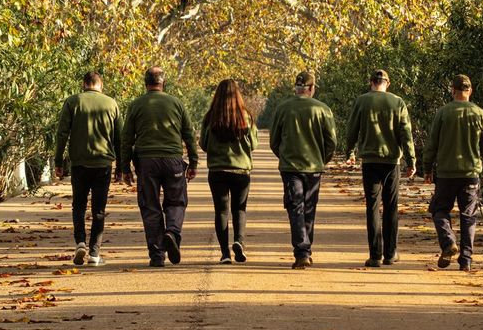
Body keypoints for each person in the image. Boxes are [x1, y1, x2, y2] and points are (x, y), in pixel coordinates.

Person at [120, 66, 198, 267]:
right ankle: (172, 231)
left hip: (146, 162)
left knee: (150, 206)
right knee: (176, 202)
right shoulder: (176, 103)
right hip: (173, 160)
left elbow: (126, 139)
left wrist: (125, 167)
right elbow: (189, 135)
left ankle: (157, 255)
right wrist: (193, 162)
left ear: (145, 83)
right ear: (164, 83)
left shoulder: (136, 105)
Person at [423, 73, 483, 272]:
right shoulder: (480, 114)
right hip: (470, 173)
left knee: (439, 210)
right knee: (468, 216)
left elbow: (432, 144)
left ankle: (448, 242)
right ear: (470, 90)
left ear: (452, 90)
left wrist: (427, 168)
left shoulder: (443, 113)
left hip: (446, 173)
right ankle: (466, 260)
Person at [343, 68, 415, 267]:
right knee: (391, 207)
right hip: (392, 162)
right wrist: (411, 160)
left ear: (371, 82)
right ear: (387, 83)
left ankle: (375, 255)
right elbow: (406, 133)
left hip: (370, 161)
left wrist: (349, 152)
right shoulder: (397, 102)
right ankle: (390, 254)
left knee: (372, 207)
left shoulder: (362, 101)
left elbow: (352, 130)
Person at [268, 70, 337, 269]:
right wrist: (322, 159)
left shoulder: (283, 108)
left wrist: (285, 156)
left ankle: (302, 251)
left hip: (290, 167)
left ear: (296, 88)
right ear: (312, 88)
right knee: (309, 208)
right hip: (314, 166)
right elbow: (331, 141)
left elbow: (274, 141)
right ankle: (305, 250)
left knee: (295, 206)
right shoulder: (322, 109)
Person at [53, 70, 120, 267]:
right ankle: (94, 253)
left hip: (79, 164)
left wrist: (58, 161)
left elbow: (62, 134)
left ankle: (80, 242)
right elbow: (119, 137)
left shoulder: (73, 102)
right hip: (103, 164)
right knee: (99, 209)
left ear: (84, 84)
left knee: (79, 205)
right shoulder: (111, 103)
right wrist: (122, 166)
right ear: (101, 85)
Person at [200, 79, 258, 264]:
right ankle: (239, 241)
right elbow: (254, 144)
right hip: (241, 171)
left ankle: (225, 253)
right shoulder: (246, 116)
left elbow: (203, 144)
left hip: (217, 170)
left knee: (221, 211)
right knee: (239, 209)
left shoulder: (210, 117)